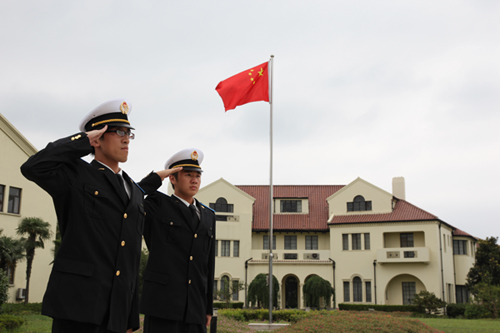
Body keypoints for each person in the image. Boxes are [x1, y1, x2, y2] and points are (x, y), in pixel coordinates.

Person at [21, 99, 179, 333]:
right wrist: (82, 141)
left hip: (116, 312)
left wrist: (130, 317)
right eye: (118, 132)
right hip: (78, 307)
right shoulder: (76, 175)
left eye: (129, 133)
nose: (126, 139)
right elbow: (33, 167)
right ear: (98, 137)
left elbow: (131, 258)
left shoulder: (133, 191)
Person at [140, 148, 216, 333]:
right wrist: (158, 177)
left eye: (197, 175)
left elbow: (208, 264)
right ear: (173, 178)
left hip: (195, 309)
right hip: (163, 306)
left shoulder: (208, 215)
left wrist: (207, 307)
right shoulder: (157, 204)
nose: (194, 180)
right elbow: (132, 196)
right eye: (188, 175)